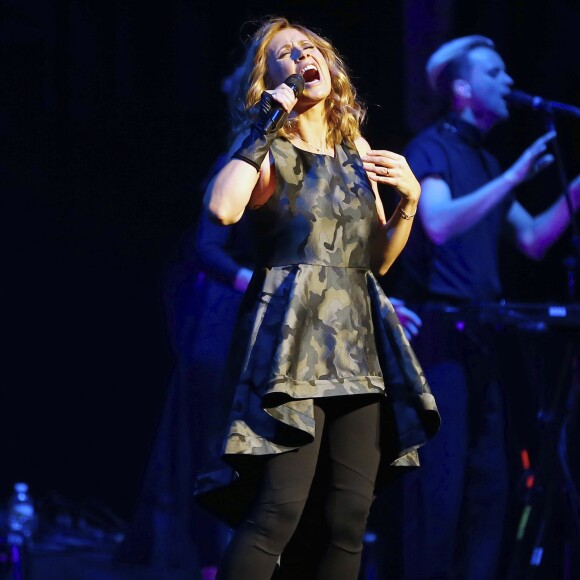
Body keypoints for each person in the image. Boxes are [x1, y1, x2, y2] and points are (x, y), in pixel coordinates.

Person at [193, 16, 441, 580]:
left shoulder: (356, 151)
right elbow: (221, 211)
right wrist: (265, 121)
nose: (303, 56)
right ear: (269, 78)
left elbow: (375, 262)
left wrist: (408, 202)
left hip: (356, 341)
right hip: (291, 343)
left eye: (310, 49)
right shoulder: (266, 148)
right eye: (285, 54)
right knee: (279, 509)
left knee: (347, 518)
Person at [380, 35, 580, 580]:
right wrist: (515, 176)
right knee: (440, 484)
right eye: (495, 73)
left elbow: (535, 239)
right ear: (464, 89)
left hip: (485, 336)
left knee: (491, 481)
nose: (509, 83)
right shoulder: (431, 148)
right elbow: (440, 223)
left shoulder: (487, 156)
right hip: (438, 335)